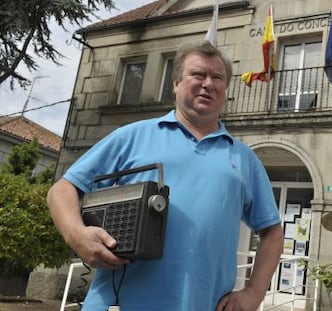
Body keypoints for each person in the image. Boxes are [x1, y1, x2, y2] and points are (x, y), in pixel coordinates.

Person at [47, 40, 283, 311]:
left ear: (225, 89)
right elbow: (62, 190)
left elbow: (272, 231)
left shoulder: (244, 158)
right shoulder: (132, 136)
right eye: (198, 74)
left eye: (217, 77)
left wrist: (254, 293)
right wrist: (76, 234)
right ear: (175, 83)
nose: (208, 83)